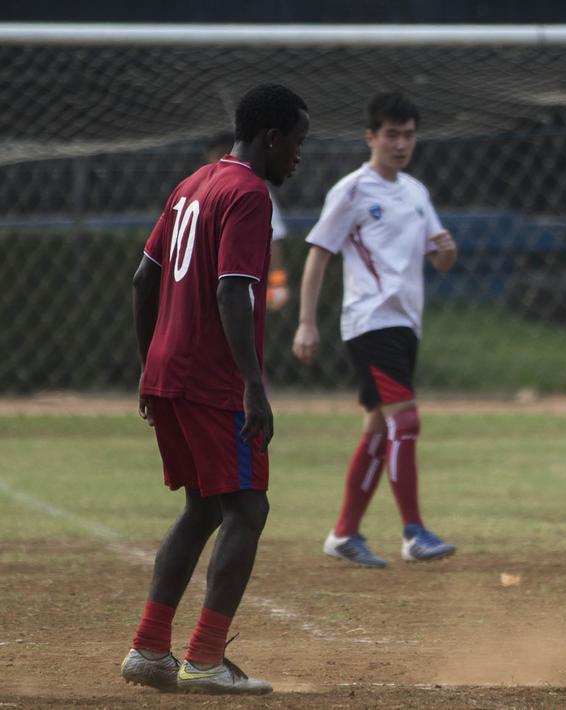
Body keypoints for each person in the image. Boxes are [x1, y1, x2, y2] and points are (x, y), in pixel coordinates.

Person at [121, 83, 309, 694]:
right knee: (248, 508)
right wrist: (254, 386)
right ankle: (203, 659)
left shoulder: (193, 183)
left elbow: (142, 279)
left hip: (169, 373)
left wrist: (151, 363)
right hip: (212, 379)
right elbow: (234, 289)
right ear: (271, 138)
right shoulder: (249, 194)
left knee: (203, 506)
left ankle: (150, 650)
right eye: (297, 144)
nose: (298, 159)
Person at [293, 91, 458, 569]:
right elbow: (319, 254)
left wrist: (447, 251)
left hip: (406, 324)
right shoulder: (352, 190)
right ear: (371, 137)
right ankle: (413, 532)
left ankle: (344, 533)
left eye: (408, 134)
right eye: (392, 134)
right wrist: (306, 323)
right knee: (405, 422)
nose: (401, 143)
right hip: (369, 322)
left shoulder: (415, 192)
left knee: (378, 430)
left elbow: (442, 259)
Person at [205, 131, 292, 311]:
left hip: (241, 284)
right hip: (208, 281)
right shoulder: (202, 189)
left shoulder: (254, 190)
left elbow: (272, 237)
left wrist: (278, 282)